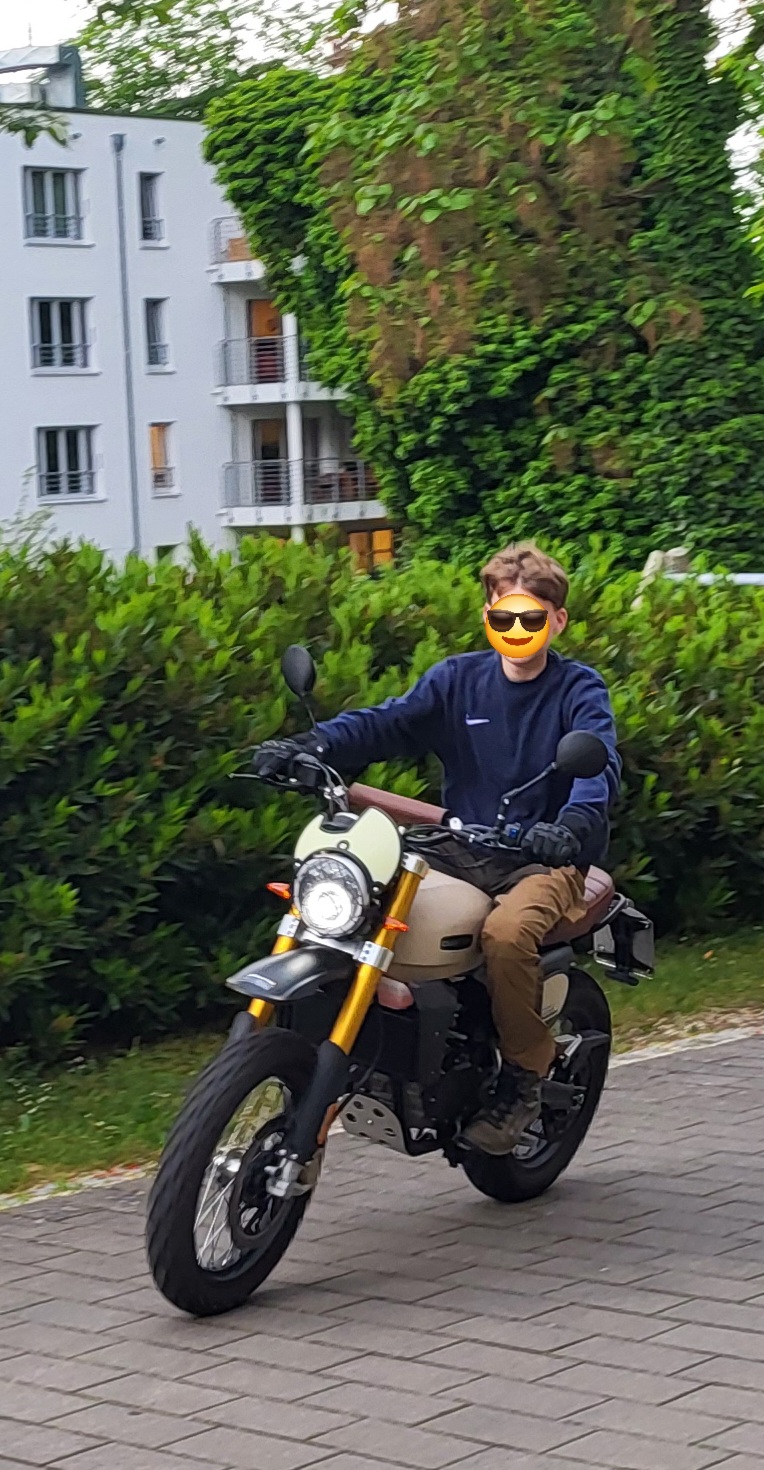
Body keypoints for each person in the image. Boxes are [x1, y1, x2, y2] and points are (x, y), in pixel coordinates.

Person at [252, 541, 620, 1155]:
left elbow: (596, 766)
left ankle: (523, 1077)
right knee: (359, 900)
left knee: (506, 934)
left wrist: (571, 825)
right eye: (504, 616)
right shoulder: (457, 680)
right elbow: (386, 722)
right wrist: (308, 747)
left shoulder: (578, 689)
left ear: (557, 620)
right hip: (459, 846)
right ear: (487, 616)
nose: (517, 629)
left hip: (542, 859)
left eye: (531, 617)